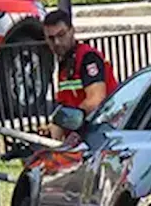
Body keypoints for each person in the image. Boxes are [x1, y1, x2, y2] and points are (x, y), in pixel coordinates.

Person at [41, 9, 116, 140]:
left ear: (72, 31)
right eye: (51, 38)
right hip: (83, 134)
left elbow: (96, 100)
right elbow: (67, 102)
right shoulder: (66, 62)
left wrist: (67, 120)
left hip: (101, 133)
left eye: (61, 35)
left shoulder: (88, 58)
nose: (57, 43)